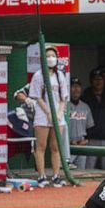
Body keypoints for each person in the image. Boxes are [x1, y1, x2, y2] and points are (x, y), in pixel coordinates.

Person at [29, 46, 69, 188]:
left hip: (58, 116)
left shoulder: (60, 76)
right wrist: (48, 112)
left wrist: (58, 114)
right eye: (48, 56)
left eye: (53, 56)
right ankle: (41, 176)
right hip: (42, 115)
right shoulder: (39, 75)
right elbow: (37, 97)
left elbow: (64, 98)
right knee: (41, 146)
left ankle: (56, 176)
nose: (51, 58)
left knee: (55, 147)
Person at [85, 66, 105, 170]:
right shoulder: (86, 95)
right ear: (91, 81)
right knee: (88, 168)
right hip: (91, 138)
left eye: (100, 79)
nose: (98, 82)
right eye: (95, 79)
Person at [68, 78, 95, 170]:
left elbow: (90, 128)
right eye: (73, 86)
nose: (76, 89)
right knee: (67, 172)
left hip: (82, 144)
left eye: (78, 86)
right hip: (68, 146)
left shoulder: (85, 107)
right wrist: (70, 141)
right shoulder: (64, 106)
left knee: (81, 172)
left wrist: (86, 140)